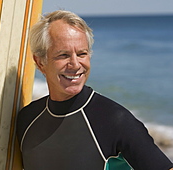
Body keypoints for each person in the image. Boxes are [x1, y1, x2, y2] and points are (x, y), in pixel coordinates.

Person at [17, 10, 173, 170]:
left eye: (82, 54)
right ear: (40, 61)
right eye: (63, 55)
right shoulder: (27, 120)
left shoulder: (116, 121)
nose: (75, 64)